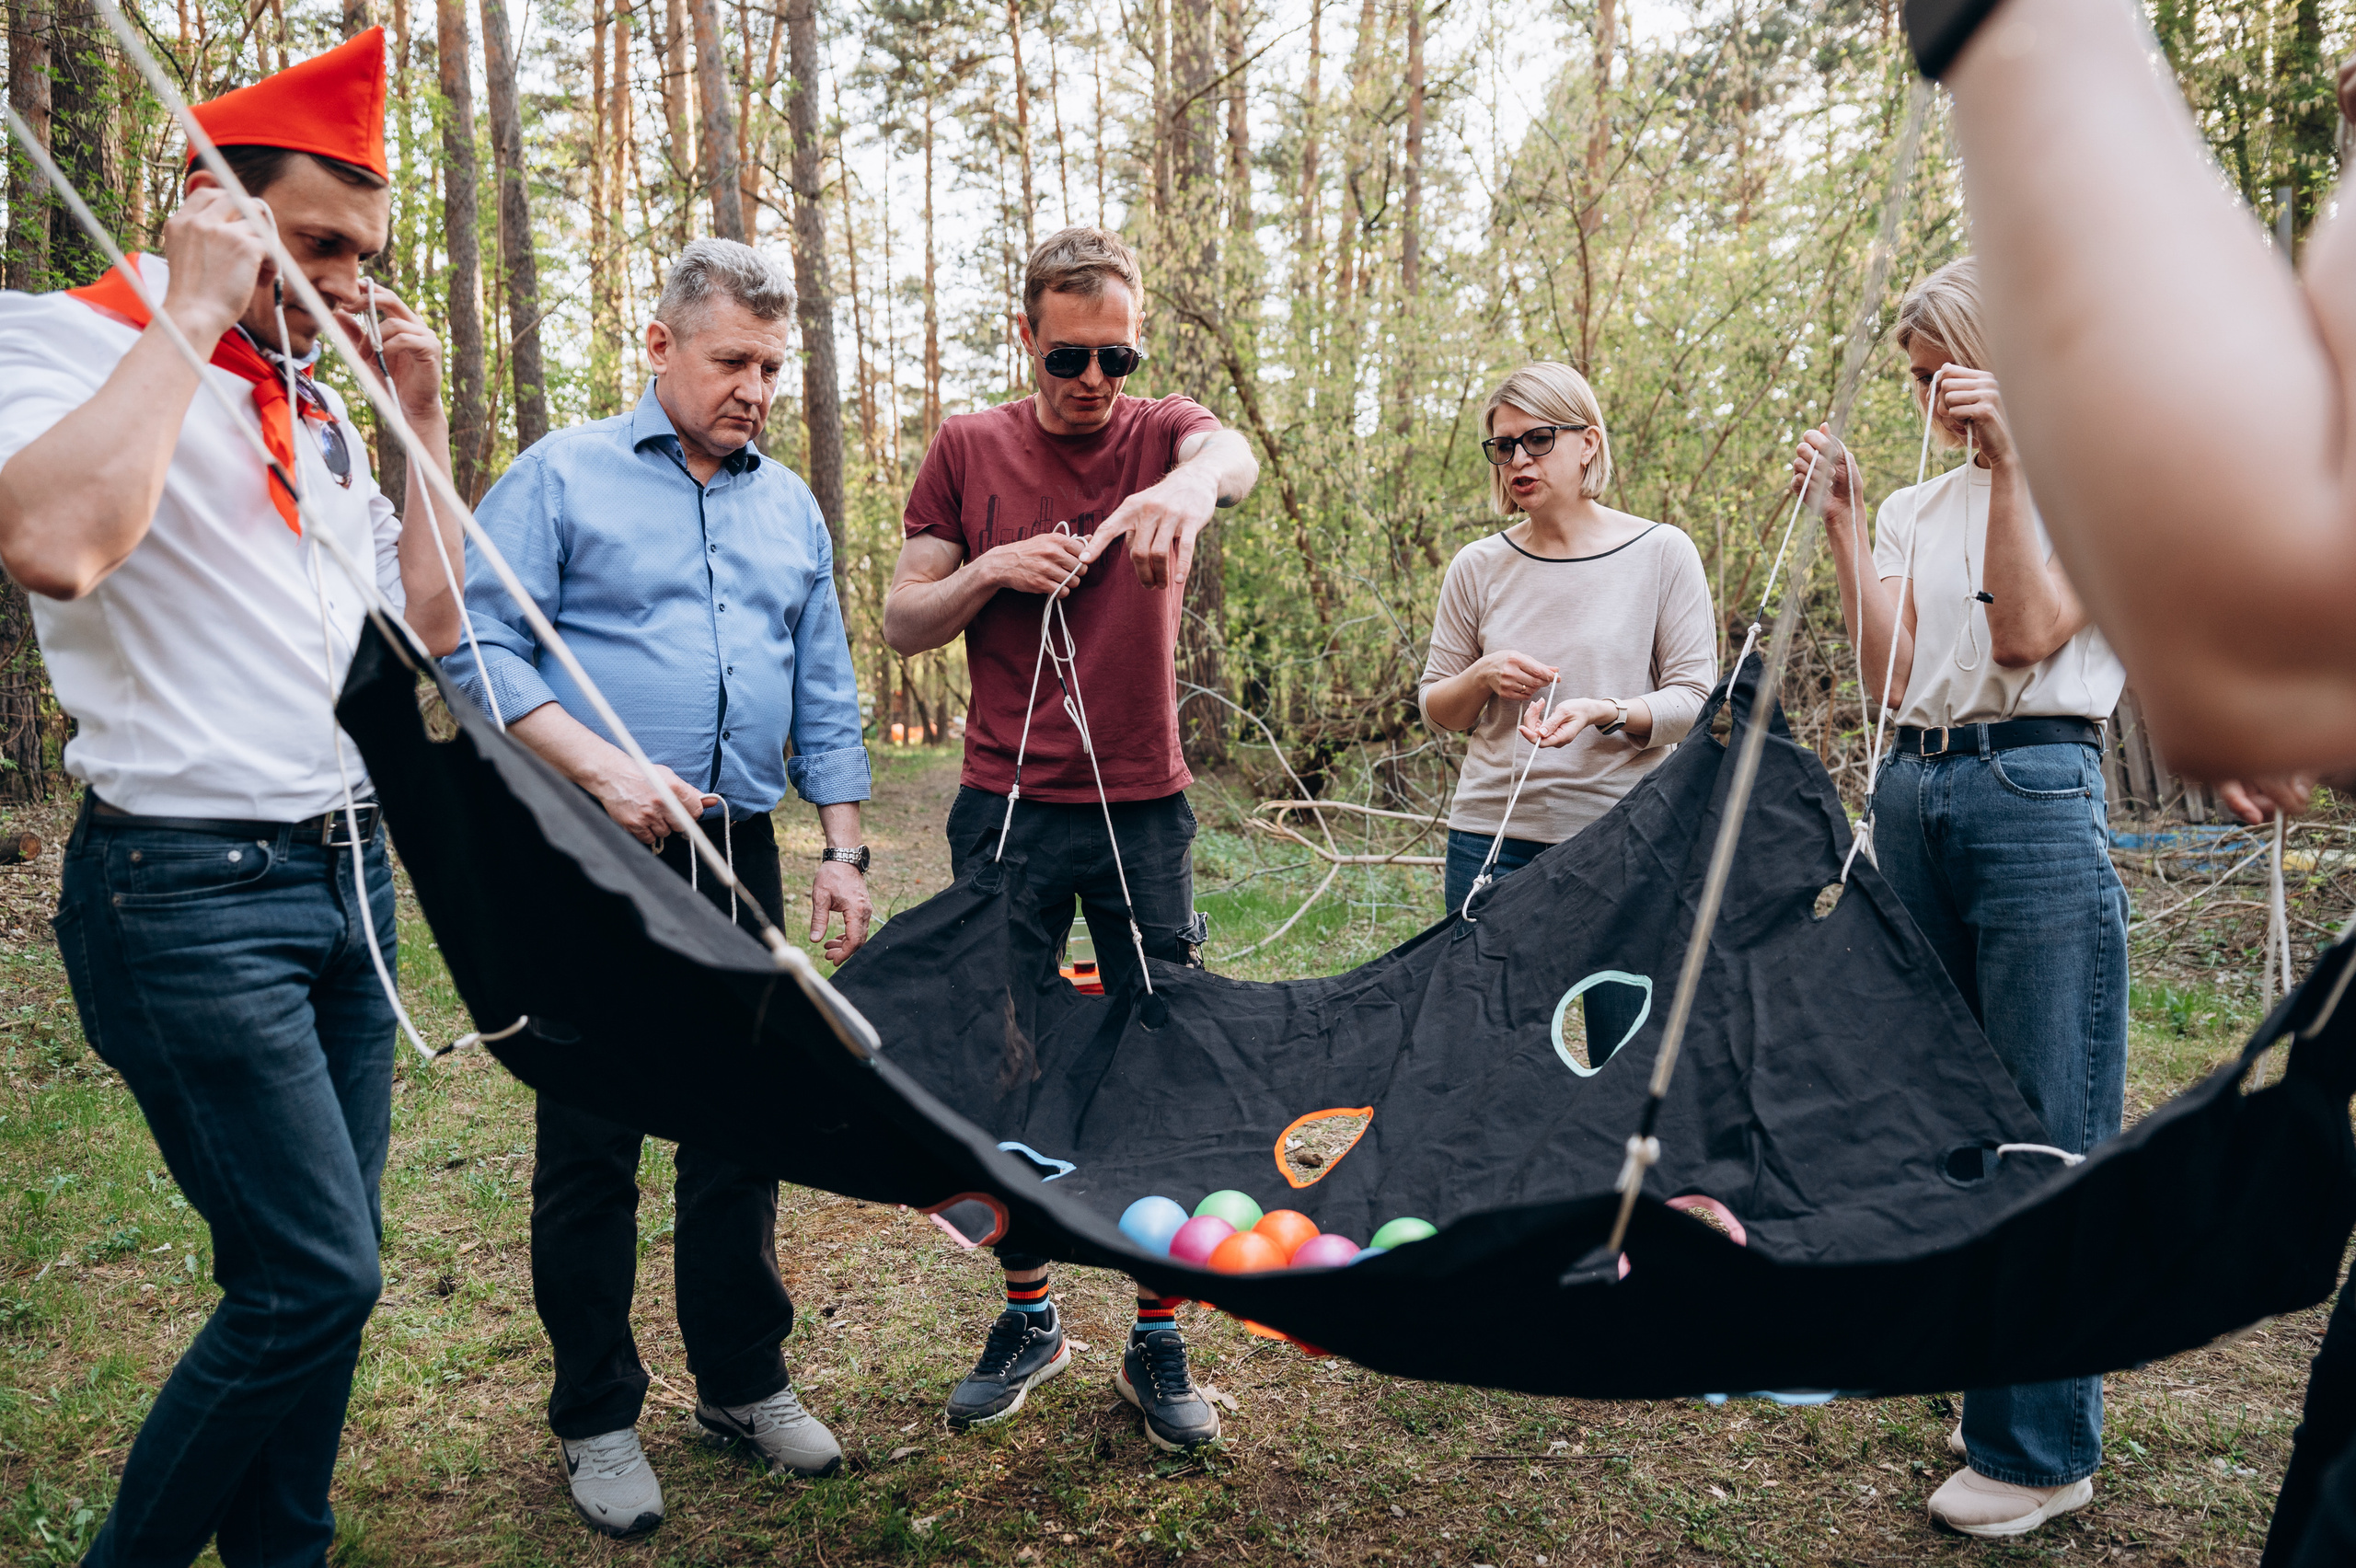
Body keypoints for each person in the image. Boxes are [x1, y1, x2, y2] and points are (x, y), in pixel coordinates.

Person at [0, 30, 465, 1566]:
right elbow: (57, 544)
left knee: (320, 1268)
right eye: (309, 240)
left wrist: (417, 418)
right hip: (185, 893)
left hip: (348, 880)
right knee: (311, 1278)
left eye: (362, 252)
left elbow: (436, 626)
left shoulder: (317, 403)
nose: (338, 276)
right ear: (213, 204)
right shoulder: (60, 341)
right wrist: (194, 306)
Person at [443, 238, 872, 1538]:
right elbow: (474, 641)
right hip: (581, 845)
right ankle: (597, 1417)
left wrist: (843, 847)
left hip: (733, 849)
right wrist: (604, 770)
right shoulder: (558, 476)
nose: (755, 387)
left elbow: (825, 687)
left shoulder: (787, 503)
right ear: (661, 345)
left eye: (773, 366)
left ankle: (741, 1382)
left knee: (741, 1121)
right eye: (733, 359)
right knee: (592, 1135)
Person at [882, 225, 1260, 1452]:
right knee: (1010, 1066)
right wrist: (991, 566)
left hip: (1143, 812)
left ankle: (1160, 1338)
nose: (1092, 378)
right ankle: (1031, 1314)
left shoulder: (1163, 435)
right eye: (1068, 355)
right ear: (1027, 337)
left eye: (1116, 352)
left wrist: (1186, 487)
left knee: (1161, 1060)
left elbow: (1231, 455)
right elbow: (902, 621)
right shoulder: (967, 447)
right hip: (1004, 810)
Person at [1794, 255, 2128, 1540]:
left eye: (1948, 373)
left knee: (2047, 1111)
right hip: (1915, 791)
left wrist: (2018, 462)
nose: (1931, 396)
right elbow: (1890, 673)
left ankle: (2044, 1449)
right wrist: (1843, 520)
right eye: (1919, 379)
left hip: (2035, 787)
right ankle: (2004, 1379)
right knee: (1945, 1099)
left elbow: (2030, 637)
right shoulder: (1919, 507)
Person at [1418, 362, 1715, 1064]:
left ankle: (1624, 1178)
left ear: (1588, 442)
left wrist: (1604, 712)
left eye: (1538, 439)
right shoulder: (1477, 566)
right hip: (1493, 838)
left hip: (1628, 839)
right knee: (1490, 1049)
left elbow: (1695, 698)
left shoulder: (1660, 552)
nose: (1518, 460)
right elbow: (1437, 705)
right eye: (1503, 446)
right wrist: (1484, 675)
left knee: (1626, 1053)